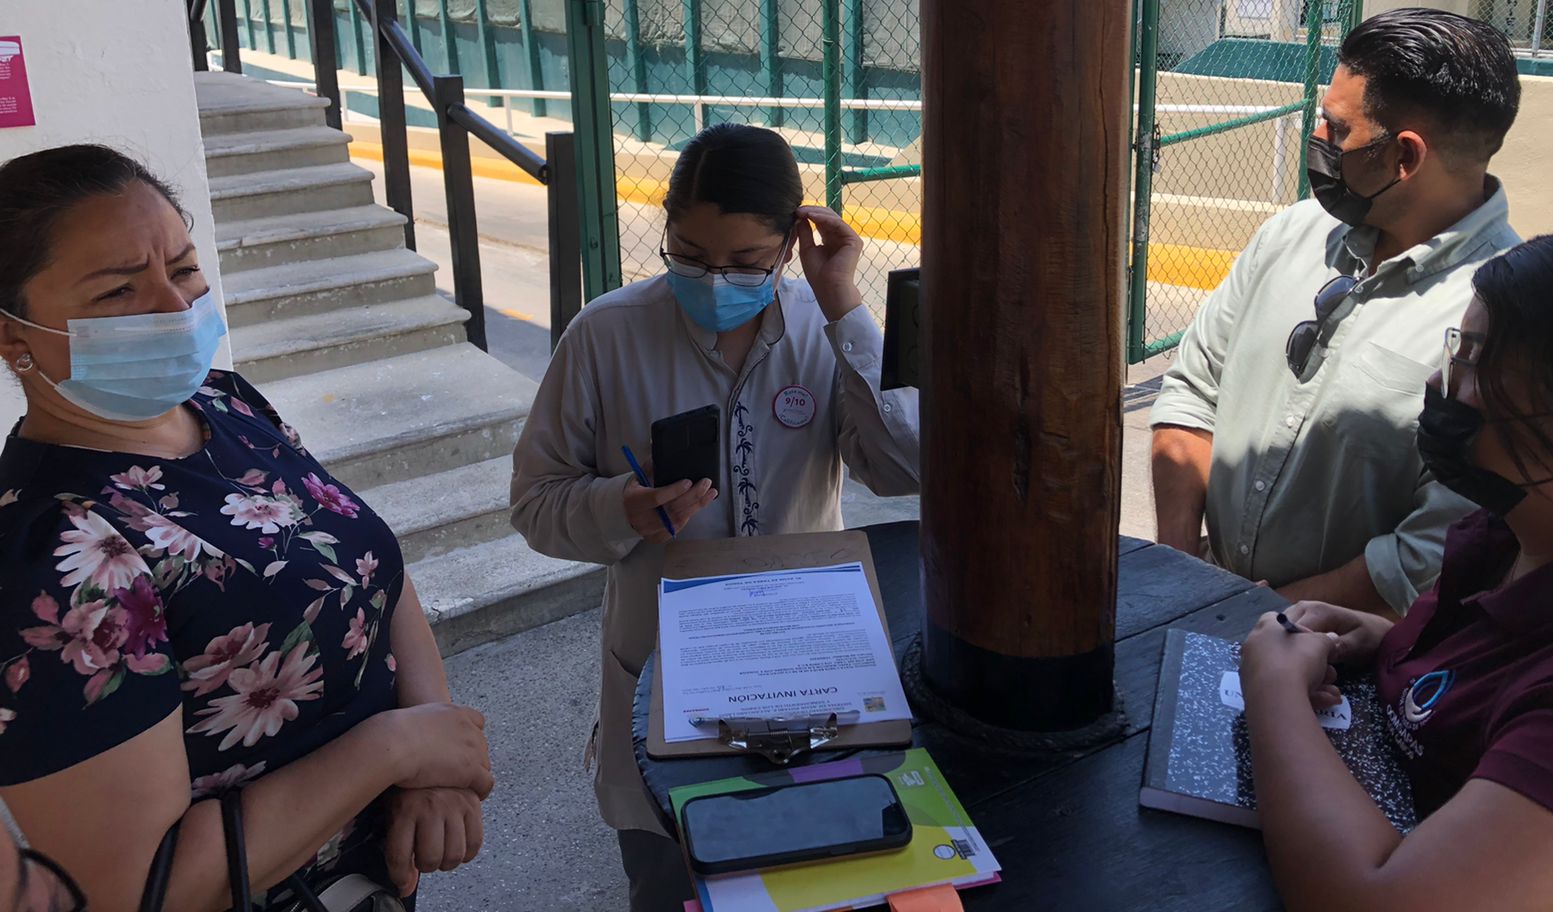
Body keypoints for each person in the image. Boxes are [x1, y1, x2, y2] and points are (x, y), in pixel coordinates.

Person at [0, 146, 493, 909]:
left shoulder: (225, 403)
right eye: (119, 290)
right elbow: (139, 888)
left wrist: (434, 757)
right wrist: (394, 749)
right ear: (12, 337)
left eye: (183, 269)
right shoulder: (56, 552)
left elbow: (368, 568)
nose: (174, 306)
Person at [510, 123, 920, 911]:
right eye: (691, 256)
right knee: (670, 870)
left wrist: (844, 305)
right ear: (665, 231)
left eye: (746, 262)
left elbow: (905, 468)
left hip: (804, 663)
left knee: (817, 868)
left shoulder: (823, 330)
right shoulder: (605, 336)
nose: (716, 281)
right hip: (664, 671)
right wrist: (620, 510)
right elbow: (534, 502)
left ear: (792, 243)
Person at [1240, 228, 1553, 910]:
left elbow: (1379, 899)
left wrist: (1274, 689)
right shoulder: (1508, 539)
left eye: (1479, 364)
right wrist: (1393, 643)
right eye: (1456, 349)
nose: (1441, 384)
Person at [1150, 8, 1522, 614]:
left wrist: (1264, 619)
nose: (1318, 138)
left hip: (1343, 655)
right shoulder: (1291, 235)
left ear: (1404, 157)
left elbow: (1432, 549)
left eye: (1337, 128)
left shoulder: (1503, 318)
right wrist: (1183, 570)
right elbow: (1194, 389)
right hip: (1207, 597)